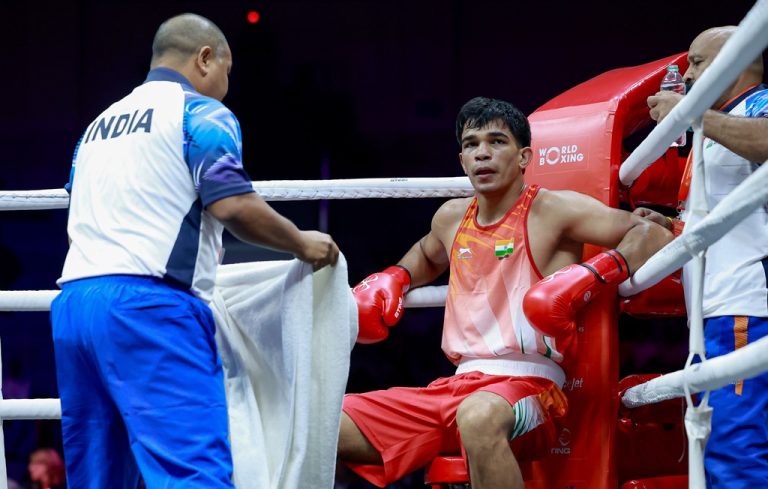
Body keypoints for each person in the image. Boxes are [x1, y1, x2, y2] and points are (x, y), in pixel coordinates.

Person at [51, 13, 339, 489]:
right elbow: (233, 206)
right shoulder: (201, 113)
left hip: (75, 308)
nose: (227, 84)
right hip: (150, 308)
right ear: (205, 58)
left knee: (98, 479)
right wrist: (302, 242)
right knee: (192, 474)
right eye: (228, 69)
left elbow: (81, 216)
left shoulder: (96, 128)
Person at [337, 96, 672, 489]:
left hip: (532, 389)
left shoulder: (552, 210)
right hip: (453, 389)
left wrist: (586, 278)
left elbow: (651, 233)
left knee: (478, 416)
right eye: (472, 144)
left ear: (524, 156)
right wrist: (396, 277)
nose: (482, 153)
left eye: (497, 141)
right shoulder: (450, 217)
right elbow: (427, 254)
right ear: (462, 160)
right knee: (324, 421)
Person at [637, 26, 768, 489]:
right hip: (718, 310)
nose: (687, 74)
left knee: (735, 453)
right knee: (718, 449)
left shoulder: (757, 105)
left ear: (737, 61)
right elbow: (724, 221)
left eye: (697, 61)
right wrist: (671, 226)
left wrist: (689, 113)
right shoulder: (716, 127)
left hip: (745, 304)